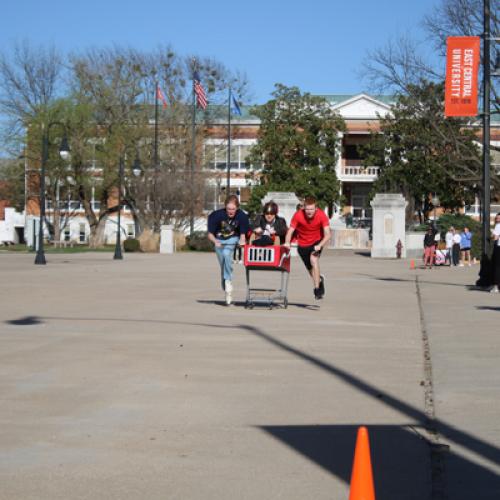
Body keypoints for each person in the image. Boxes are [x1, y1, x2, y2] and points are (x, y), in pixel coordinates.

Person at [284, 196, 331, 300]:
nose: (309, 212)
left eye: (311, 209)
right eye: (307, 209)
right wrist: (287, 242)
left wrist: (320, 245)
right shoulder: (298, 215)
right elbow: (290, 231)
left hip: (316, 242)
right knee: (311, 271)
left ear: (316, 208)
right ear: (304, 208)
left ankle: (317, 290)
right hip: (302, 245)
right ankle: (319, 280)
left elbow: (328, 234)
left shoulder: (321, 215)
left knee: (313, 260)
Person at [207, 195, 249, 305]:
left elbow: (243, 234)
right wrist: (215, 241)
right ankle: (226, 281)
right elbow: (210, 234)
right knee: (223, 265)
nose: (231, 211)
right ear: (225, 207)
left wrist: (242, 241)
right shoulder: (216, 215)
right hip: (219, 241)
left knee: (226, 255)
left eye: (233, 209)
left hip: (232, 239)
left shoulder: (242, 216)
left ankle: (228, 283)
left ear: (237, 208)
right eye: (228, 209)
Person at [490, 213, 500, 293]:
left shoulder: (498, 226)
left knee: (497, 267)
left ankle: (496, 286)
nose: (496, 219)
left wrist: (492, 235)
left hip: (499, 247)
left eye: (497, 218)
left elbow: (495, 237)